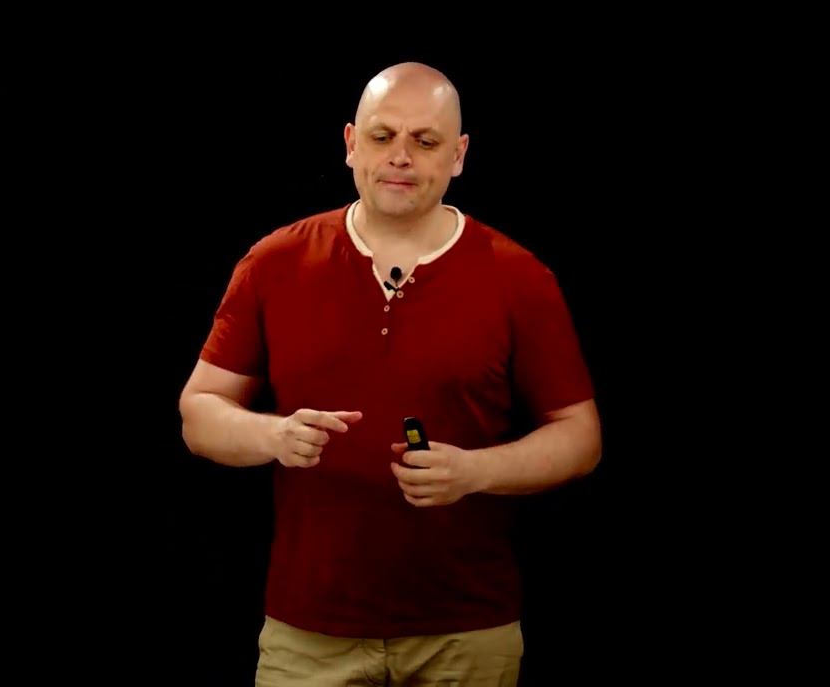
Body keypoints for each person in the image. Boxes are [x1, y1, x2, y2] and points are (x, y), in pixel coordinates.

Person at [179, 61, 601, 686]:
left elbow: (580, 436)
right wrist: (272, 435)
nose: (400, 156)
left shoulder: (520, 277)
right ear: (351, 144)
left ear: (458, 156)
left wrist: (476, 472)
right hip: (309, 632)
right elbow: (199, 412)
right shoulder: (275, 261)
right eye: (382, 137)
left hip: (466, 631)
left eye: (425, 141)